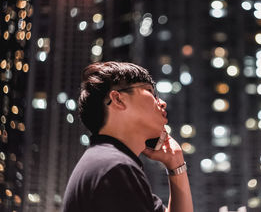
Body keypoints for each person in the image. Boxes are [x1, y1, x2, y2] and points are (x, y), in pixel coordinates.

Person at [62, 61, 193, 212]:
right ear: (118, 99)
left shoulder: (107, 162)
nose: (162, 103)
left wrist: (176, 164)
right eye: (150, 91)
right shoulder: (115, 169)